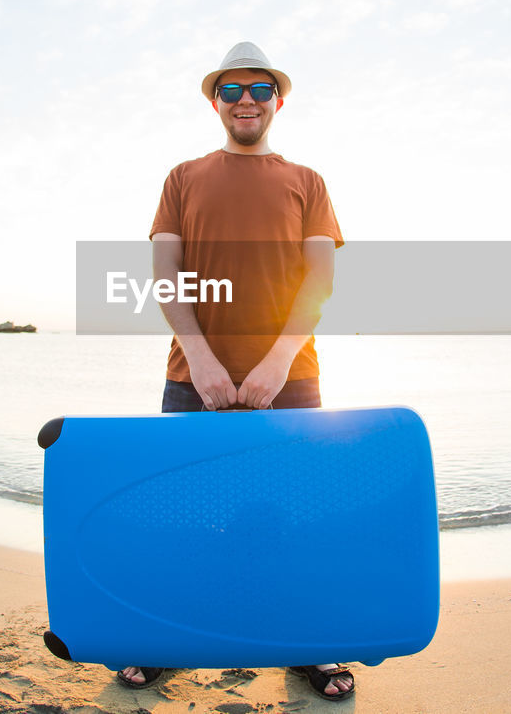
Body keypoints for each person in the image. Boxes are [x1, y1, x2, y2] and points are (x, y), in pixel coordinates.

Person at [115, 42, 352, 701]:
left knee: (293, 517)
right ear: (214, 99)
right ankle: (164, 641)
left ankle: (312, 644)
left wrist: (277, 362)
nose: (245, 99)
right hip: (194, 379)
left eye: (258, 88)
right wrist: (202, 361)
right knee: (185, 518)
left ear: (278, 99)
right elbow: (166, 280)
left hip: (293, 378)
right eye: (231, 89)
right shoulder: (182, 178)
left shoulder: (307, 181)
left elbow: (319, 281)